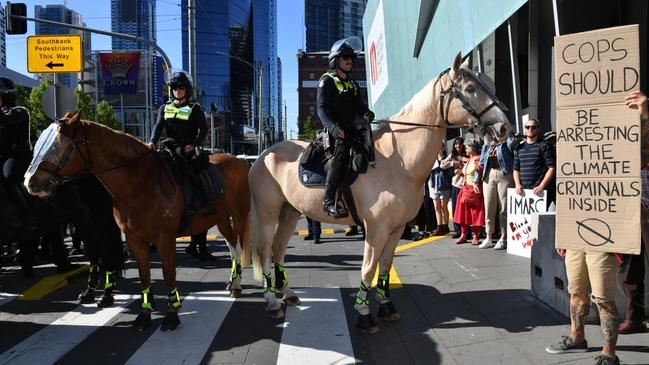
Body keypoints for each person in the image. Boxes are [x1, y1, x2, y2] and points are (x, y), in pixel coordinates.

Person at [317, 36, 374, 217]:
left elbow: (359, 107)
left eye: (351, 58)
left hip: (352, 130)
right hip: (336, 133)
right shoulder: (326, 81)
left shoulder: (353, 84)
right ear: (336, 61)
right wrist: (333, 129)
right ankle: (328, 200)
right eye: (345, 58)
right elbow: (321, 109)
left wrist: (366, 113)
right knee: (341, 156)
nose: (350, 61)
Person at [149, 70, 216, 215]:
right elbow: (158, 126)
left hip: (187, 147)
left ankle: (207, 199)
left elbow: (203, 130)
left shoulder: (194, 108)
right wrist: (152, 141)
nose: (177, 91)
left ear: (187, 89)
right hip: (169, 146)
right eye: (174, 87)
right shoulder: (164, 107)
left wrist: (195, 144)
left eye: (181, 87)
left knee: (194, 168)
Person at [618, 90, 649, 334]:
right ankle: (634, 317)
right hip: (631, 205)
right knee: (631, 268)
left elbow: (644, 151)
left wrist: (644, 113)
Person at [0, 77, 35, 228]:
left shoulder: (20, 112)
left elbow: (6, 119)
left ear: (6, 96)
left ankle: (28, 215)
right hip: (2, 157)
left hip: (17, 157)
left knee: (8, 176)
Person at [478, 131, 515, 249]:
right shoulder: (487, 145)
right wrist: (476, 180)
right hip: (489, 174)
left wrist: (507, 135)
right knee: (489, 205)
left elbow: (512, 145)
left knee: (504, 206)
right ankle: (488, 236)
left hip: (504, 173)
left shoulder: (505, 143)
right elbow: (482, 162)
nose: (493, 134)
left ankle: (504, 237)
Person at [513, 118, 556, 207]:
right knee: (525, 220)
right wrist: (517, 184)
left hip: (541, 192)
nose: (530, 129)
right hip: (524, 192)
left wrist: (541, 186)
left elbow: (552, 168)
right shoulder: (519, 147)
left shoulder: (545, 145)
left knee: (541, 220)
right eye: (527, 127)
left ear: (538, 129)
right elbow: (516, 169)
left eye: (533, 127)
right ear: (524, 129)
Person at [452, 139, 485, 245]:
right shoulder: (470, 159)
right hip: (465, 188)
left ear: (472, 148)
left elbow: (479, 172)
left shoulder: (477, 159)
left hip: (474, 189)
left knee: (475, 212)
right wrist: (460, 173)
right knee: (463, 212)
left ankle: (476, 235)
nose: (465, 148)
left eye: (467, 147)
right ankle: (463, 234)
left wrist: (475, 181)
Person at [431, 145, 453, 236]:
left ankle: (445, 226)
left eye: (440, 147)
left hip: (444, 185)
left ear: (443, 148)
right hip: (434, 185)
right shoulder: (432, 158)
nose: (438, 148)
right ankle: (439, 226)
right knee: (437, 208)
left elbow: (449, 171)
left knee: (444, 207)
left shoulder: (447, 158)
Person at [449, 137, 468, 238]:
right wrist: (453, 163)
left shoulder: (467, 155)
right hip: (455, 184)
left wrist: (461, 171)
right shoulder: (453, 155)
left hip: (465, 185)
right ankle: (457, 230)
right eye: (456, 144)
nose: (458, 146)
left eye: (460, 144)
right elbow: (442, 164)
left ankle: (466, 231)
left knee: (464, 209)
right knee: (455, 208)